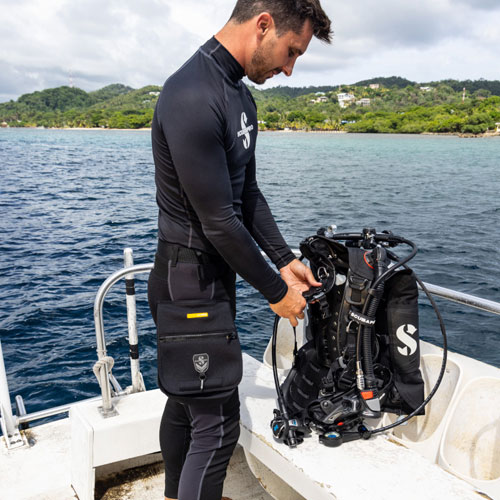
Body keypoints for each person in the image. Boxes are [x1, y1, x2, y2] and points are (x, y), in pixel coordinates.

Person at [148, 1, 332, 499]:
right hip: (188, 281)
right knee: (216, 425)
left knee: (188, 406)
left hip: (209, 280)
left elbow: (245, 194)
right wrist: (277, 292)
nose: (290, 69)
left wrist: (285, 259)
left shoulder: (239, 99)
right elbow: (218, 221)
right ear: (263, 24)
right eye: (291, 52)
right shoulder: (191, 94)